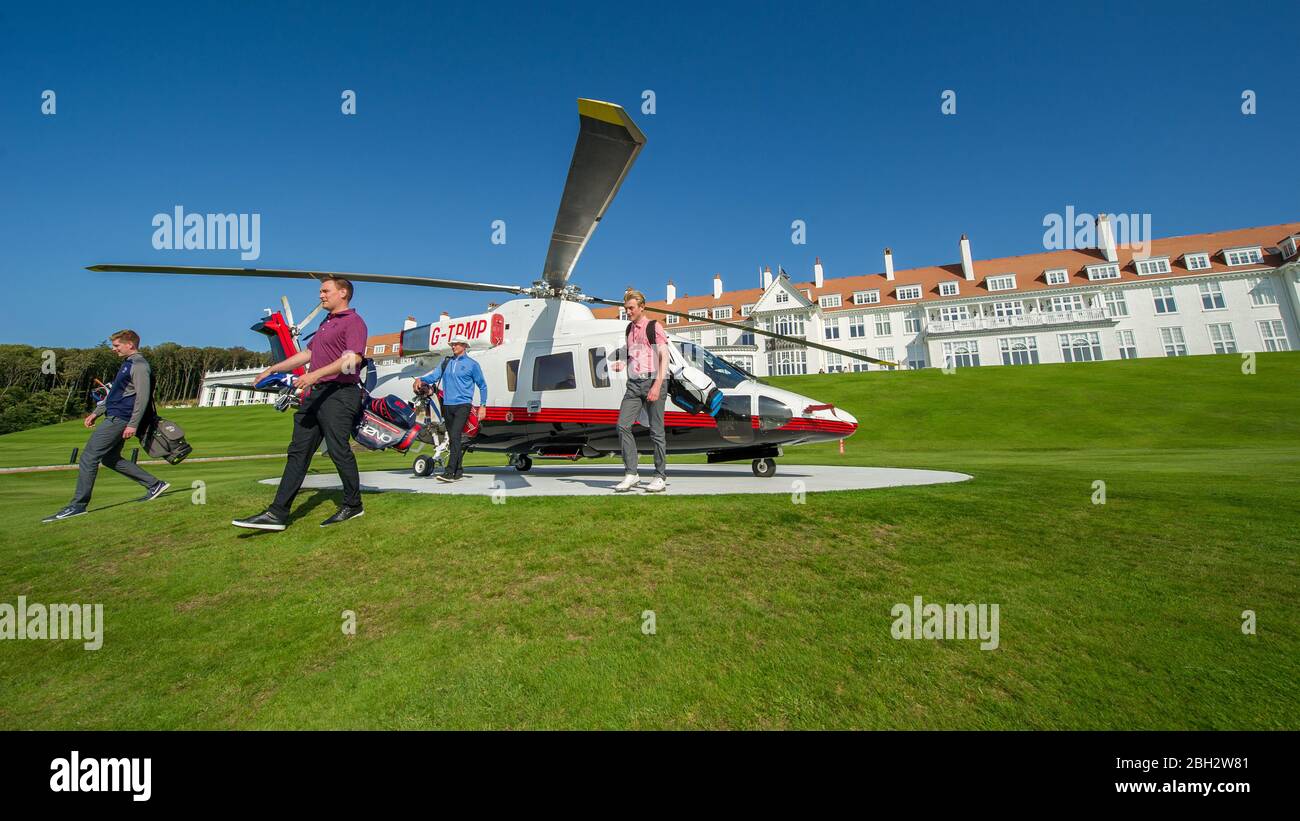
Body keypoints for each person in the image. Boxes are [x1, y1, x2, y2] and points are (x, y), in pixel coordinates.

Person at [232, 276, 368, 531]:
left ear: (343, 293)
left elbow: (354, 360)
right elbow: (307, 354)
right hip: (316, 393)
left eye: (325, 291)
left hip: (339, 394)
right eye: (320, 291)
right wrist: (271, 369)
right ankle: (277, 514)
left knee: (338, 450)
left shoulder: (354, 322)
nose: (321, 295)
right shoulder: (327, 322)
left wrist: (314, 374)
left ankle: (353, 504)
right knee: (298, 452)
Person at [43, 330, 169, 522]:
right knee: (109, 458)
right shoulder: (127, 364)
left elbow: (143, 398)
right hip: (115, 416)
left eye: (117, 346)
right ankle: (154, 485)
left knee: (88, 457)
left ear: (130, 345)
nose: (113, 349)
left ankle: (78, 505)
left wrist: (133, 425)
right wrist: (96, 412)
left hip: (120, 419)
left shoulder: (139, 365)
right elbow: (115, 394)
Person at [609, 289, 669, 493]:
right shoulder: (629, 330)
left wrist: (657, 385)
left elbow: (664, 358)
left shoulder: (654, 327)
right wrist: (622, 363)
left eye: (631, 308)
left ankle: (660, 476)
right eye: (626, 308)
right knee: (622, 425)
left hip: (654, 381)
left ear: (641, 307)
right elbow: (634, 354)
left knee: (656, 431)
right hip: (634, 385)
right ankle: (632, 473)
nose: (628, 311)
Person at [413, 335, 487, 482]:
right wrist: (420, 379)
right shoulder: (446, 362)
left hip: (463, 405)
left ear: (464, 346)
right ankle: (459, 470)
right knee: (455, 439)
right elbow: (434, 377)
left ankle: (449, 472)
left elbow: (482, 385)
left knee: (454, 436)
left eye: (457, 344)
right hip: (447, 405)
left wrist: (483, 406)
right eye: (452, 344)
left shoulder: (472, 365)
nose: (453, 347)